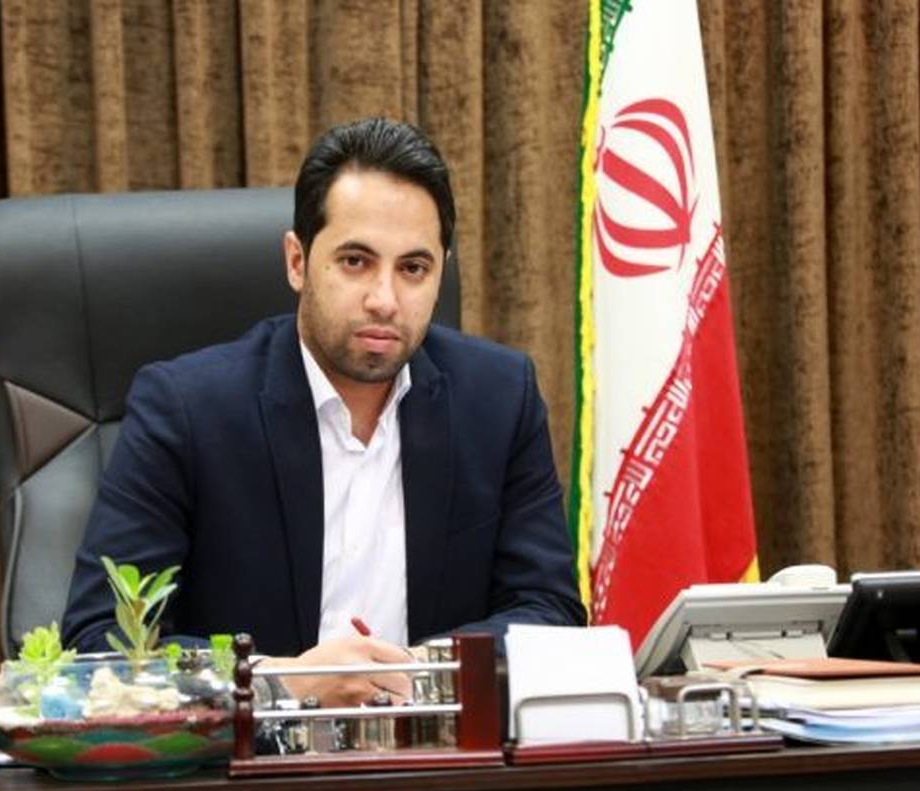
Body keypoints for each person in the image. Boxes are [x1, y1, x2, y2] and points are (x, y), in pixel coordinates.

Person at [61, 117, 585, 706]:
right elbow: (98, 643)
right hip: (255, 755)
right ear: (297, 261)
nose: (385, 300)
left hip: (431, 749)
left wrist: (421, 671)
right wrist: (277, 682)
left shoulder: (499, 399)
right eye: (356, 261)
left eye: (413, 269)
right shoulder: (184, 410)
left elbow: (550, 612)